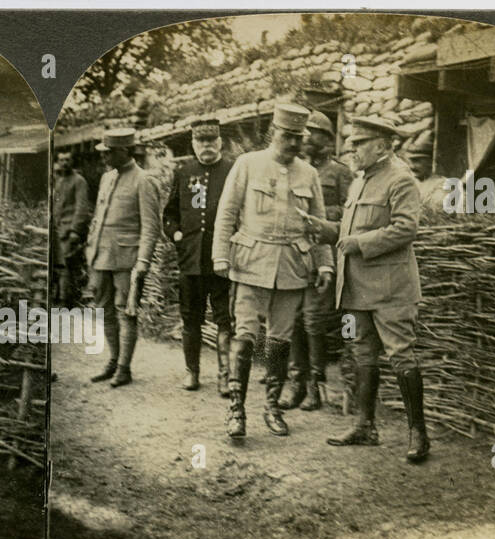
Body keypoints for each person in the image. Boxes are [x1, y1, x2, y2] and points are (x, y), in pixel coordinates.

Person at [303, 116, 429, 463]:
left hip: (390, 288)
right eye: (352, 144)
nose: (352, 150)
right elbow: (346, 232)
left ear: (381, 145)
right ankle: (364, 426)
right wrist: (321, 228)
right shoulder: (360, 181)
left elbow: (406, 230)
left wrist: (359, 243)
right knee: (361, 355)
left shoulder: (401, 179)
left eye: (358, 144)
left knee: (401, 354)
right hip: (356, 288)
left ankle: (418, 433)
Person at [211, 102, 332, 440]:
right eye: (287, 136)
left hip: (292, 267)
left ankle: (272, 407)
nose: (293, 143)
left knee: (279, 341)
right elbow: (227, 212)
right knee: (246, 337)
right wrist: (220, 256)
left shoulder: (309, 174)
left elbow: (318, 226)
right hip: (250, 263)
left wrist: (325, 263)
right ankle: (236, 410)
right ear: (273, 133)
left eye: (298, 138)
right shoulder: (247, 164)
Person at [281, 109, 354, 411]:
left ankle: (316, 387)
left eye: (315, 133)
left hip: (325, 255)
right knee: (295, 320)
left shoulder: (340, 172)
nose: (308, 139)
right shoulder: (296, 171)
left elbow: (350, 217)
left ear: (327, 138)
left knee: (313, 321)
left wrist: (324, 219)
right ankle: (296, 384)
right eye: (305, 133)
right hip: (297, 255)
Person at [84, 128, 162, 388]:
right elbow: (98, 218)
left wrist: (143, 263)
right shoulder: (107, 178)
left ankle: (124, 368)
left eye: (109, 152)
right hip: (101, 256)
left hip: (127, 260)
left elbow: (151, 227)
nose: (104, 157)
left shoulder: (144, 180)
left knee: (125, 312)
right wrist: (90, 250)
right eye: (103, 152)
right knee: (103, 310)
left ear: (125, 151)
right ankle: (113, 360)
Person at [161, 118, 234, 395]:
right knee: (191, 318)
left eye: (211, 141)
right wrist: (176, 234)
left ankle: (225, 376)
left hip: (221, 259)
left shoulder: (232, 170)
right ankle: (192, 373)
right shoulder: (184, 172)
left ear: (220, 142)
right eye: (201, 142)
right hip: (191, 260)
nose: (206, 146)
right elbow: (170, 214)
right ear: (193, 144)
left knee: (224, 319)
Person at [52, 150, 91, 307]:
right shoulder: (59, 180)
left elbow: (82, 208)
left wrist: (75, 230)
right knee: (57, 265)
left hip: (69, 231)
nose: (64, 163)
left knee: (65, 265)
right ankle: (57, 297)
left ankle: (64, 300)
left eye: (67, 160)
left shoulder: (79, 181)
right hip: (57, 229)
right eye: (61, 160)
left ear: (72, 161)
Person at [405, 140, 447, 218]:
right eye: (410, 161)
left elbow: (437, 217)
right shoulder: (414, 183)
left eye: (417, 161)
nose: (412, 166)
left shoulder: (443, 186)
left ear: (431, 161)